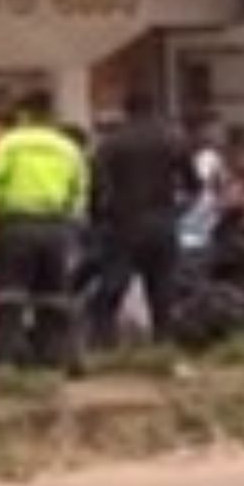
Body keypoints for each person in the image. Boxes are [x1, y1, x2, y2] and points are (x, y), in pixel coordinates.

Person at [0, 89, 90, 373]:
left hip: (16, 225)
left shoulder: (9, 143)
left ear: (24, 114)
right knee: (54, 297)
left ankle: (4, 361)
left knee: (10, 296)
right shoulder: (67, 147)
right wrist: (71, 225)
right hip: (56, 227)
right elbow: (80, 192)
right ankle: (54, 358)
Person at [88, 90, 194, 346]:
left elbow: (97, 186)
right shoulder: (173, 138)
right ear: (154, 108)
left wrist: (97, 217)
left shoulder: (112, 143)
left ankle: (104, 341)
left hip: (123, 223)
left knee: (114, 284)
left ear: (126, 110)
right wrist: (180, 209)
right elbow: (193, 183)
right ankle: (163, 341)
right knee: (162, 286)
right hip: (162, 220)